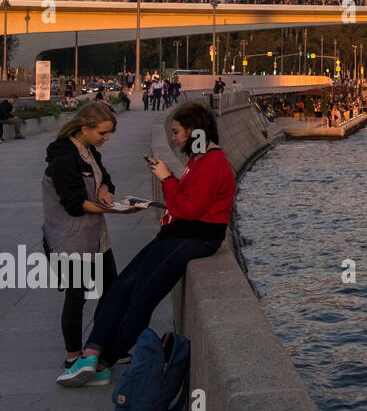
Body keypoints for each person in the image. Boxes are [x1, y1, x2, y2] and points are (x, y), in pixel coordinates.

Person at [58, 101, 235, 386]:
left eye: (178, 132)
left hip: (196, 236)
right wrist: (169, 182)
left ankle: (103, 363)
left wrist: (165, 177)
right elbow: (187, 200)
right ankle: (91, 352)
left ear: (194, 132)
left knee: (143, 295)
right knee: (121, 286)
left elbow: (189, 209)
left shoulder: (213, 162)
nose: (174, 137)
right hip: (179, 233)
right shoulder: (200, 159)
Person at [43, 101, 144, 383]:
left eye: (109, 133)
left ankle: (99, 347)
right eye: (103, 133)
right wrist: (118, 210)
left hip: (97, 237)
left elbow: (105, 179)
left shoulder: (89, 151)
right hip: (70, 239)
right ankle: (73, 357)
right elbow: (75, 204)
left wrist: (105, 189)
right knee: (76, 298)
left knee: (112, 290)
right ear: (84, 127)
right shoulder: (64, 158)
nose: (106, 139)